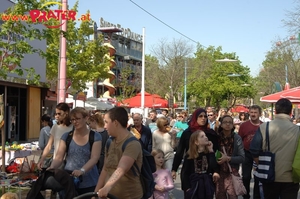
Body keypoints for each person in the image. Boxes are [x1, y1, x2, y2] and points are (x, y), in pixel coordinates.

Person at [250, 98, 300, 199]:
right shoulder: (297, 130)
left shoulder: (264, 127)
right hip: (291, 177)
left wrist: (261, 163)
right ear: (290, 112)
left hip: (269, 176)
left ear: (276, 111)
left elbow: (254, 149)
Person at [48, 107, 102, 195]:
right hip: (69, 181)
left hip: (89, 182)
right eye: (72, 119)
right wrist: (52, 167)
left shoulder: (95, 136)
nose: (75, 122)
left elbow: (95, 158)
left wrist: (82, 170)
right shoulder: (67, 136)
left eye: (77, 119)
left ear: (86, 118)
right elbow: (59, 157)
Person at [95, 107, 143, 199]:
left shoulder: (132, 143)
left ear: (115, 123)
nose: (104, 126)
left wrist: (107, 187)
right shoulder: (109, 142)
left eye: (106, 122)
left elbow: (122, 169)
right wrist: (96, 193)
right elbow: (105, 169)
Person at [171, 108, 219, 184]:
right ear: (195, 117)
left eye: (205, 116)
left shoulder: (210, 133)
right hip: (189, 168)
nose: (203, 118)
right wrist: (174, 169)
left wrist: (216, 171)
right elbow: (180, 151)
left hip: (207, 171)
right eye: (200, 116)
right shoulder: (187, 133)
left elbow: (216, 151)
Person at [183, 130, 220, 199]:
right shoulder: (190, 155)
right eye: (202, 136)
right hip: (194, 183)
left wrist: (211, 150)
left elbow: (213, 166)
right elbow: (185, 172)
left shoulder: (209, 153)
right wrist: (187, 187)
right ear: (196, 142)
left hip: (207, 183)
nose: (206, 137)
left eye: (205, 135)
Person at [215, 115, 245, 199]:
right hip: (219, 173)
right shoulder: (217, 138)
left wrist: (227, 158)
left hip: (232, 173)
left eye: (230, 122)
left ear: (233, 125)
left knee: (233, 196)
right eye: (225, 122)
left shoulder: (237, 138)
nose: (227, 124)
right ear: (221, 125)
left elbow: (242, 157)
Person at [38, 103, 73, 169]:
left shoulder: (73, 127)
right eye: (55, 114)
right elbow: (49, 145)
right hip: (56, 161)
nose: (56, 116)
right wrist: (42, 159)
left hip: (70, 162)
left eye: (59, 114)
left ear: (66, 113)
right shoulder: (55, 127)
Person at [238, 105, 262, 199]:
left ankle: (257, 196)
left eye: (255, 112)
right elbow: (239, 139)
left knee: (258, 177)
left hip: (259, 154)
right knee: (246, 176)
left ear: (259, 114)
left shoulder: (263, 126)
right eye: (251, 112)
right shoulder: (244, 125)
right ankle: (246, 195)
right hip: (246, 153)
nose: (253, 114)